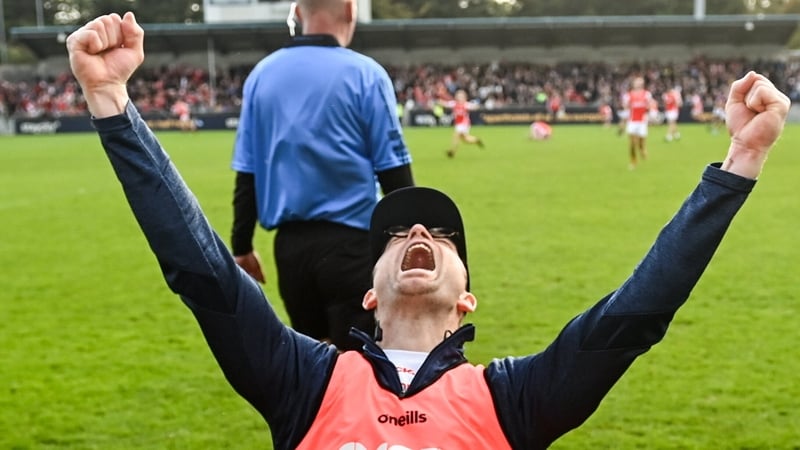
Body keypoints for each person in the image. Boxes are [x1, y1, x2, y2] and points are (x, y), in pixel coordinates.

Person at [68, 12, 790, 450]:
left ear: (466, 300)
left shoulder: (515, 399)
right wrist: (111, 104)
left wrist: (739, 162)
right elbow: (202, 272)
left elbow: (636, 314)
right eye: (397, 235)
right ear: (370, 296)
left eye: (441, 236)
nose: (418, 230)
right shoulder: (305, 382)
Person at [229, 0, 414, 350]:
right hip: (353, 247)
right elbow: (393, 169)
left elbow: (248, 171)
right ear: (349, 9)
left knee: (313, 369)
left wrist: (241, 246)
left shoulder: (262, 75)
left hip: (291, 250)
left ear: (298, 13)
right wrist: (414, 236)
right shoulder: (366, 74)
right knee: (362, 369)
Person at [622, 76, 654, 170]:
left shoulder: (646, 94)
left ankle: (642, 150)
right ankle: (633, 161)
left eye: (640, 82)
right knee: (632, 143)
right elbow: (625, 106)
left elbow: (650, 105)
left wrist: (651, 115)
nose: (638, 83)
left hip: (642, 122)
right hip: (632, 121)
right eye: (637, 82)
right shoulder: (629, 95)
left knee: (641, 143)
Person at [441, 89, 484, 158]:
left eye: (461, 96)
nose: (459, 97)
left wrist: (477, 106)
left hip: (464, 123)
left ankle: (452, 151)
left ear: (464, 97)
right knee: (465, 139)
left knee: (456, 135)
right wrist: (440, 102)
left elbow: (474, 106)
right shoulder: (454, 103)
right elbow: (446, 104)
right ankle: (476, 140)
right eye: (458, 96)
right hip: (458, 124)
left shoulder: (466, 104)